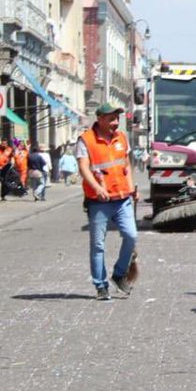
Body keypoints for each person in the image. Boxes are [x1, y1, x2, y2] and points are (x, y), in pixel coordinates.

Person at [77, 103, 139, 301]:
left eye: (117, 118)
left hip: (122, 199)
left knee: (131, 235)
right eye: (111, 118)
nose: (115, 122)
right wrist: (97, 188)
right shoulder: (86, 140)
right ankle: (100, 285)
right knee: (98, 245)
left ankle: (120, 273)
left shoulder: (121, 137)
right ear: (100, 119)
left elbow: (126, 165)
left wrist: (132, 188)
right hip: (99, 201)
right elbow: (84, 168)